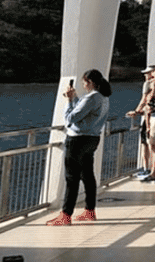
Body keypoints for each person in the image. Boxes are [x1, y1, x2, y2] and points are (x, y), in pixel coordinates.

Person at [47, 69, 111, 225]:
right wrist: (75, 98)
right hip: (92, 139)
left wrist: (69, 101)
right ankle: (90, 210)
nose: (83, 85)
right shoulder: (103, 97)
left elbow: (71, 118)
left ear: (88, 82)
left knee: (72, 177)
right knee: (87, 175)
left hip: (77, 140)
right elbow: (83, 112)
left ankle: (66, 214)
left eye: (84, 82)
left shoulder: (91, 98)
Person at [126, 65, 155, 178]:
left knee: (145, 143)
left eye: (147, 73)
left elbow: (143, 100)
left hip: (148, 117)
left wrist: (136, 111)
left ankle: (146, 168)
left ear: (153, 73)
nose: (145, 75)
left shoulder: (148, 84)